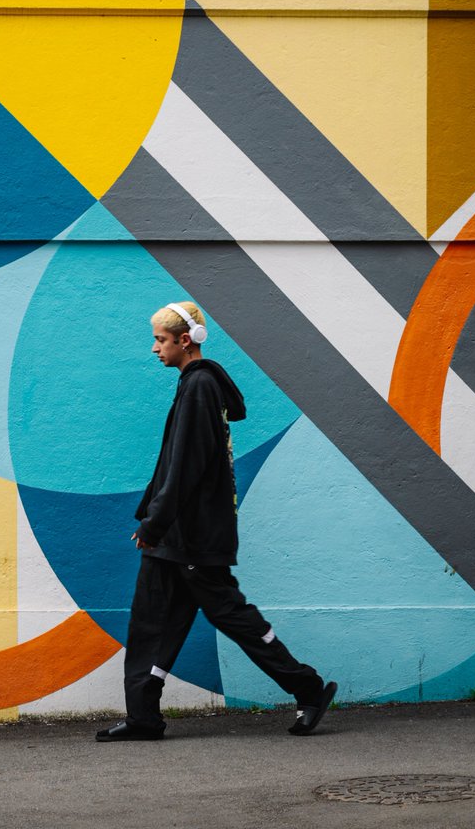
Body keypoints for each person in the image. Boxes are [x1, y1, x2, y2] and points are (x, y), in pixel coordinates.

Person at [96, 300, 336, 742]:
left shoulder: (200, 387)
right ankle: (144, 717)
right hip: (178, 534)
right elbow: (176, 462)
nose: (154, 349)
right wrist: (153, 518)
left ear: (184, 341)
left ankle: (308, 688)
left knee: (231, 616)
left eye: (160, 340)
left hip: (189, 536)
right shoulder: (195, 385)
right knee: (151, 623)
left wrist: (154, 522)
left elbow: (185, 465)